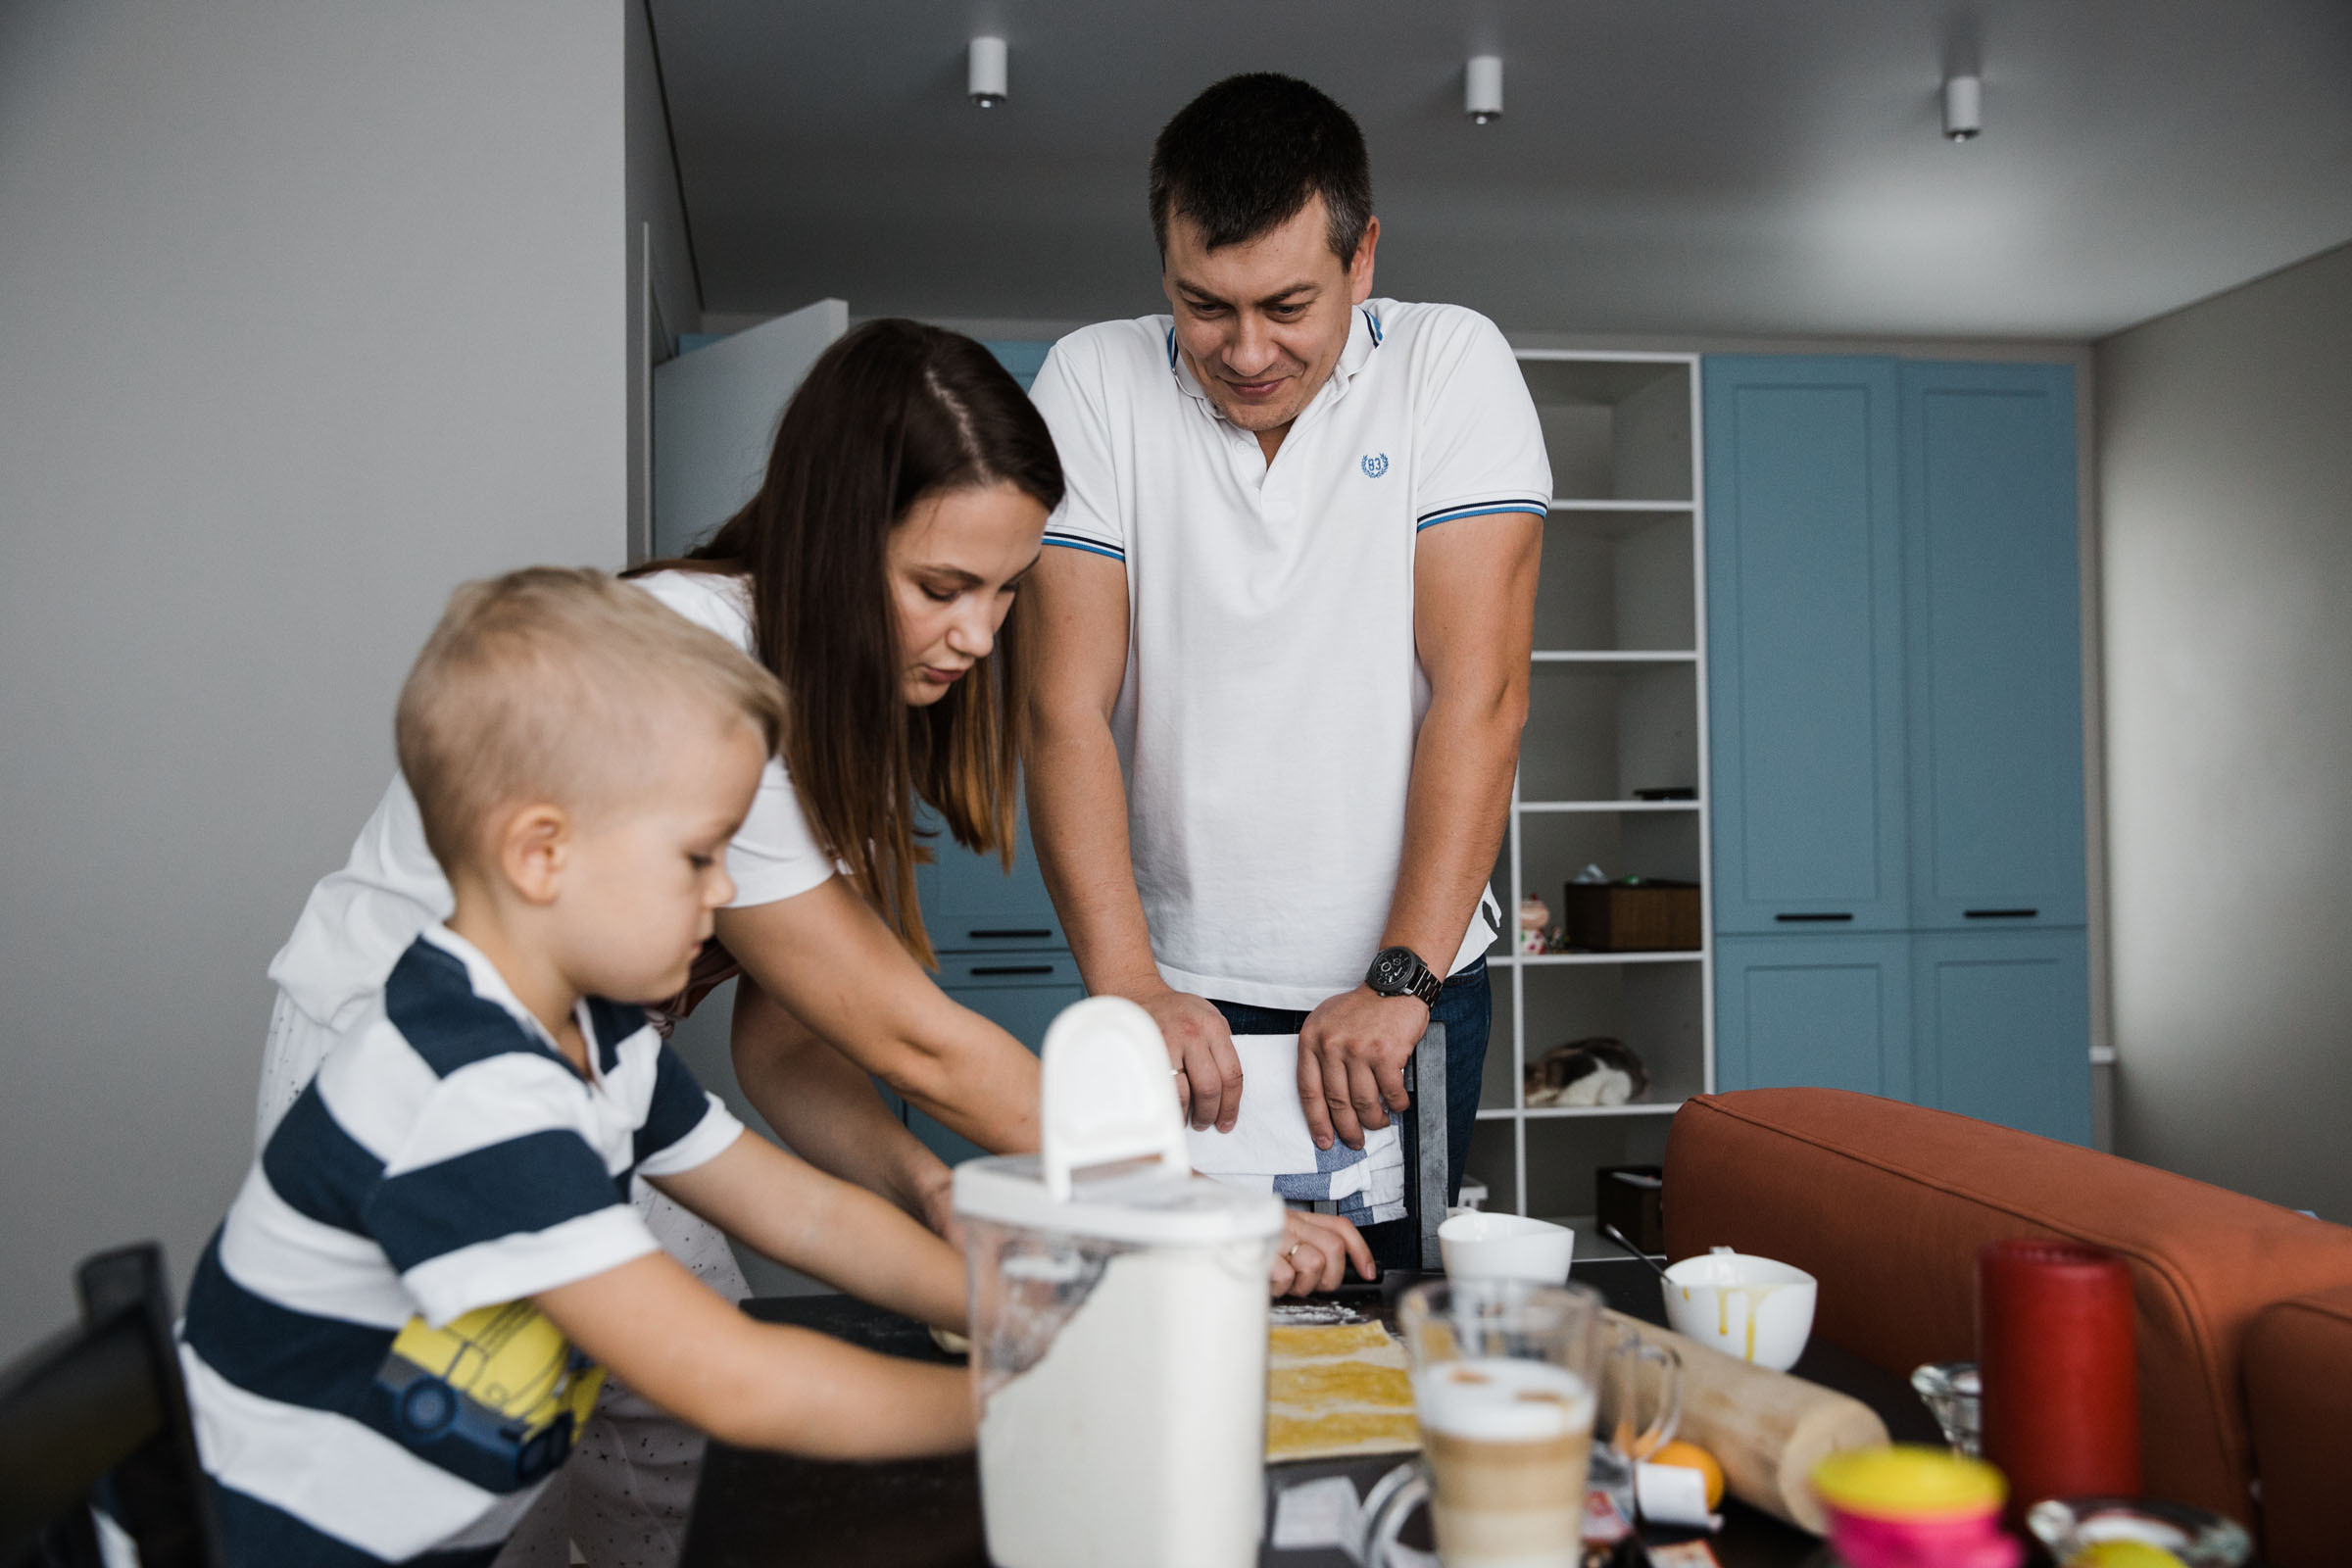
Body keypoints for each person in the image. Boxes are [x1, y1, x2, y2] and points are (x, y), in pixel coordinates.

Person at [258, 320, 1368, 1565]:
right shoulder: (686, 672)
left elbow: (793, 1056)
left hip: (566, 1066)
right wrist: (1187, 1224)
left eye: (1007, 591)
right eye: (944, 588)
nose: (983, 636)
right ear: (841, 546)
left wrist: (945, 1208)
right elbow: (907, 1036)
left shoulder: (622, 1044)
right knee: (495, 1461)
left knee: (657, 1455)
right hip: (406, 1066)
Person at [180, 568, 974, 1567]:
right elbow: (734, 1382)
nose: (729, 890)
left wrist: (1006, 1311)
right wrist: (1016, 1403)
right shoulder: (466, 1092)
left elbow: (804, 1214)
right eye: (699, 855)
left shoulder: (597, 1040)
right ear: (541, 853)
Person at [1024, 74, 1550, 1270]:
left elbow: (1483, 695)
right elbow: (1061, 710)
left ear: (1363, 258)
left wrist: (1402, 976)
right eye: (1204, 305)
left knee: (1370, 1322)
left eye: (1287, 305)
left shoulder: (1449, 364)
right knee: (1176, 1312)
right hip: (1176, 992)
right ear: (1162, 264)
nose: (1246, 351)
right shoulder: (1093, 383)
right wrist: (1128, 989)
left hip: (1398, 987)